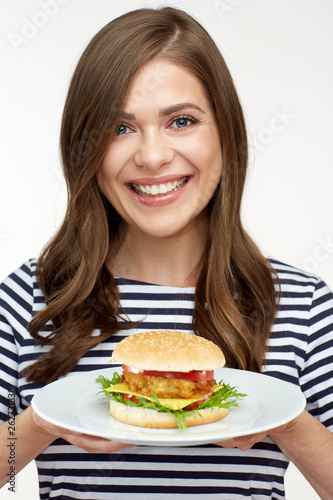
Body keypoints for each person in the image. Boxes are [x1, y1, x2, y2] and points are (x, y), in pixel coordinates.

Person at [0, 6, 333, 499]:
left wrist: (285, 421)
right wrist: (35, 425)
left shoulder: (302, 306)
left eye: (181, 120)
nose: (152, 156)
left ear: (226, 132)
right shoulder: (30, 297)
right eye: (120, 128)